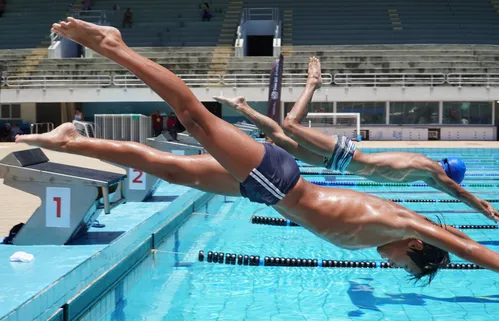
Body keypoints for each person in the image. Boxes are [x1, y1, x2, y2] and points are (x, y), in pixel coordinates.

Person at [18, 18, 499, 284]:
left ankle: (74, 140)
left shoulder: (401, 225)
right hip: (278, 182)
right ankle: (114, 45)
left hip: (270, 188)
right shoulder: (407, 226)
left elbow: (452, 230)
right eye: (404, 264)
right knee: (194, 116)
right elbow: (470, 247)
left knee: (170, 167)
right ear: (416, 247)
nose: (391, 264)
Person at [213, 58, 498, 222]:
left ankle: (243, 106)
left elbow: (451, 191)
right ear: (448, 173)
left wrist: (479, 204)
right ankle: (314, 83)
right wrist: (483, 205)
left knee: (278, 138)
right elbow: (457, 193)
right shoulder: (430, 168)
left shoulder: (425, 173)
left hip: (339, 164)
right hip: (348, 157)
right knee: (290, 124)